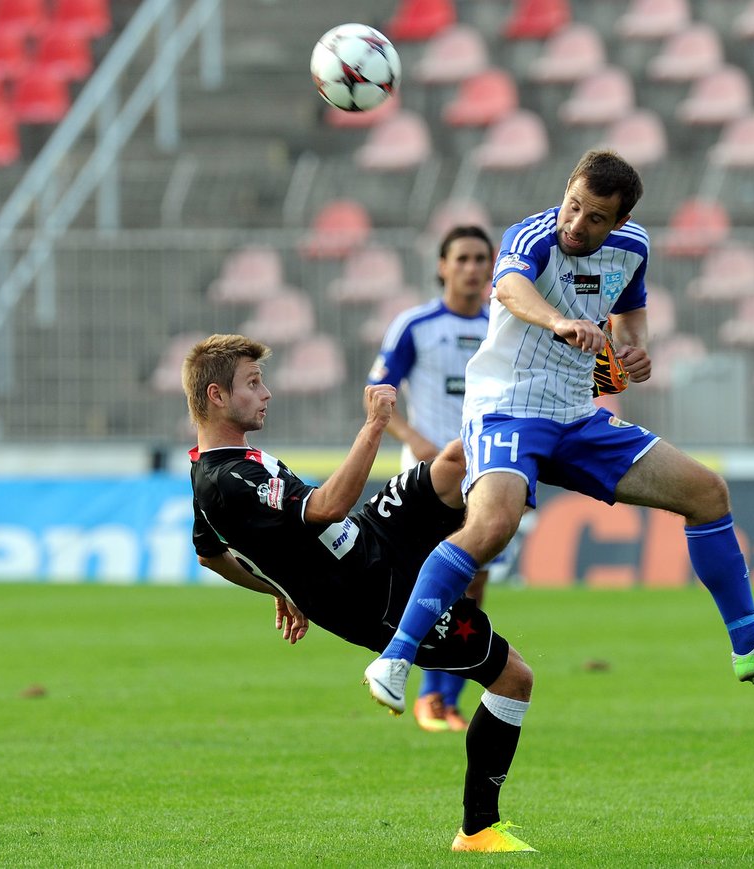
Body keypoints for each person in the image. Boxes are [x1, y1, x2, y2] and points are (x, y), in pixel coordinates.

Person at [364, 149, 754, 714]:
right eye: (573, 206)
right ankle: (395, 656)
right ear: (565, 191)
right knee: (492, 526)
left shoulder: (633, 249)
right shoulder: (530, 235)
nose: (575, 224)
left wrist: (635, 350)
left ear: (620, 223)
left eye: (594, 218)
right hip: (507, 406)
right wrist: (561, 320)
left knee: (707, 493)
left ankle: (750, 643)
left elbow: (630, 315)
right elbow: (510, 288)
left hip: (575, 414)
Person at [182, 333, 538, 853]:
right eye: (253, 383)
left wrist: (279, 587)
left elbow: (208, 552)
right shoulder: (226, 480)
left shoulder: (221, 466)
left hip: (374, 534)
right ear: (216, 396)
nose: (267, 392)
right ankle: (479, 829)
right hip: (374, 598)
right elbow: (325, 506)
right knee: (513, 679)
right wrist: (374, 426)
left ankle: (543, 452)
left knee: (459, 458)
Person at [367, 224, 495, 734]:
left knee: (475, 585)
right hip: (428, 478)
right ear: (442, 266)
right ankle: (427, 695)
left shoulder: (501, 326)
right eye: (461, 258)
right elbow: (377, 390)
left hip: (487, 472)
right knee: (437, 579)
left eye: (481, 259)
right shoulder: (415, 325)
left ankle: (445, 696)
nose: (472, 268)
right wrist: (415, 439)